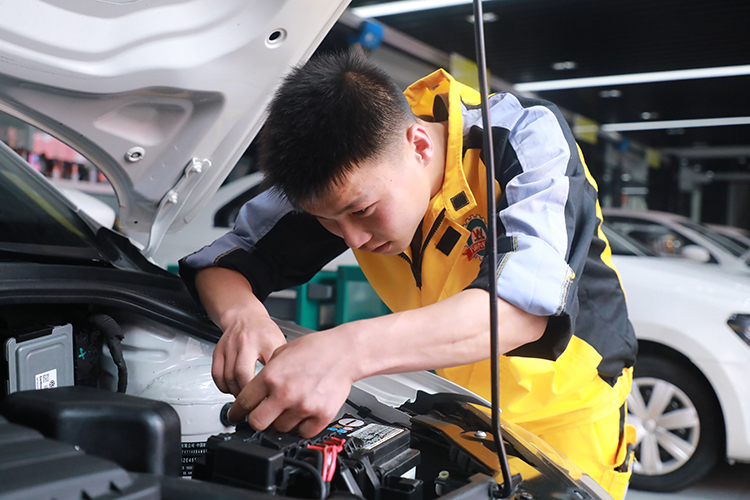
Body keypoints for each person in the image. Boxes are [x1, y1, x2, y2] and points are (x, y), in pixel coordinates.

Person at [180, 50, 637, 500]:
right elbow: (222, 261)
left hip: (566, 424)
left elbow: (522, 308)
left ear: (419, 145)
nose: (352, 238)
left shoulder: (520, 135)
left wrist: (344, 352)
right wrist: (243, 316)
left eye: (363, 211)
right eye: (327, 221)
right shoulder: (339, 177)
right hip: (459, 415)